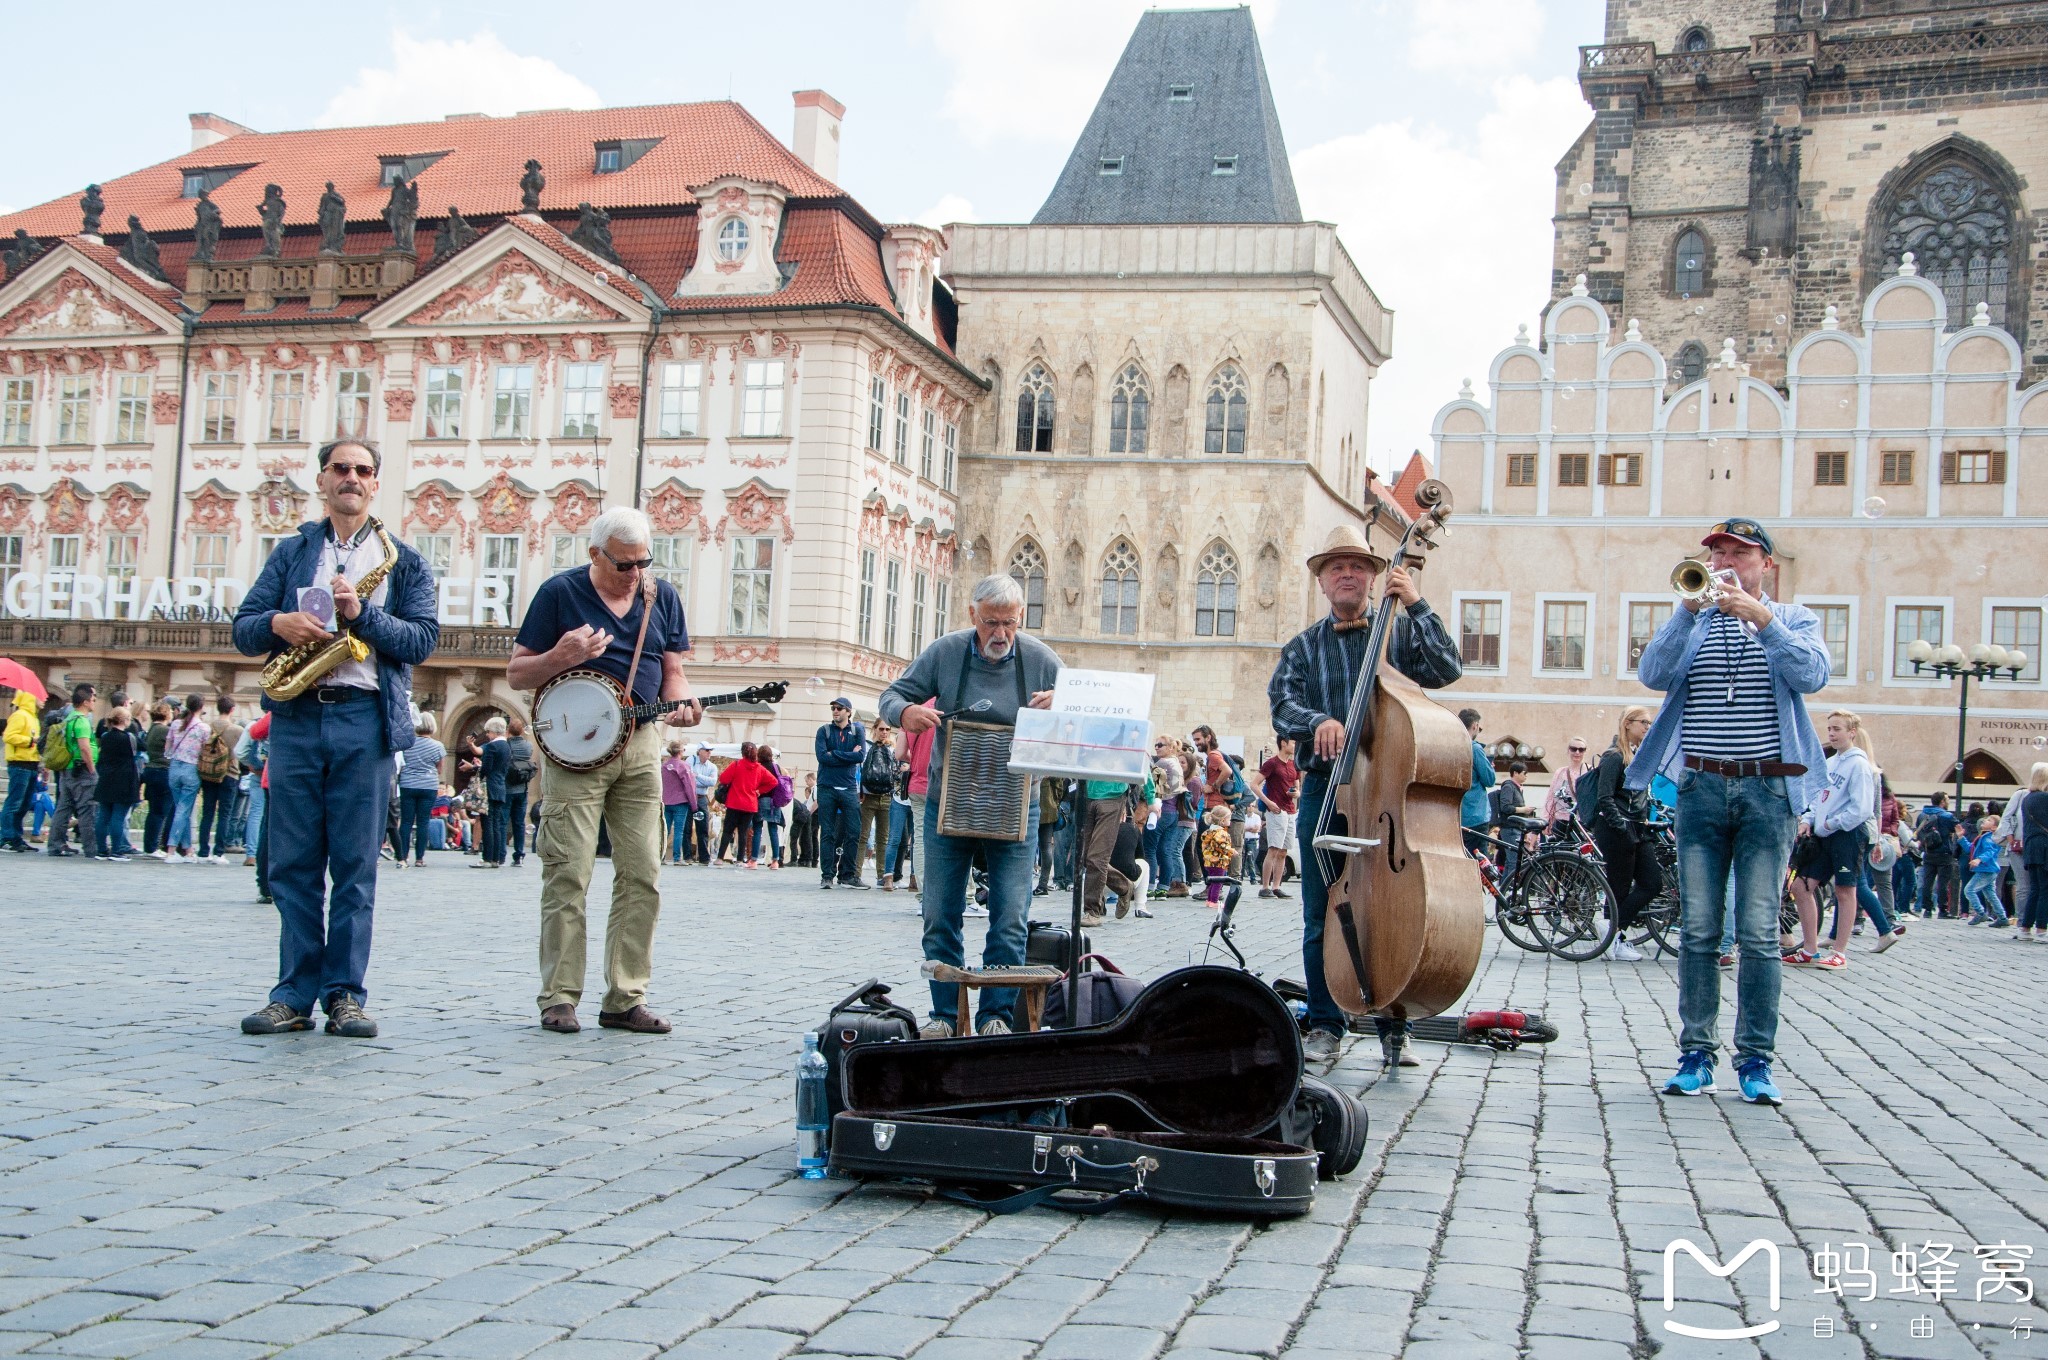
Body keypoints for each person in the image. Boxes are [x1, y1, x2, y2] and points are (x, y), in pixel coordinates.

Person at [232, 437, 439, 1039]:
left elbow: (422, 640)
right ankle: (292, 994)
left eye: (363, 470)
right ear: (321, 480)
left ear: (377, 483)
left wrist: (361, 617)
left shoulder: (404, 560)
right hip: (297, 717)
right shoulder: (293, 551)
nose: (351, 477)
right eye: (339, 468)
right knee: (293, 865)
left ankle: (345, 994)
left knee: (354, 867)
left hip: (364, 718)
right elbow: (244, 629)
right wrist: (278, 623)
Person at [1629, 517, 1830, 1107]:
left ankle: (1756, 1061)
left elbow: (1812, 675)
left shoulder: (1793, 619)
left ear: (1765, 564)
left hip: (1769, 793)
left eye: (1738, 553)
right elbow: (1653, 674)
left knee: (1760, 931)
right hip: (1703, 789)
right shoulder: (1693, 619)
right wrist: (1687, 611)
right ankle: (1696, 1053)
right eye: (1715, 552)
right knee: (1698, 931)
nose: (1723, 563)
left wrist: (1761, 618)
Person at [1268, 522, 1463, 1070]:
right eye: (1337, 568)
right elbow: (1282, 706)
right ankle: (1326, 1023)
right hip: (1327, 790)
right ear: (1324, 583)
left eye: (1358, 566)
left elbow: (1447, 668)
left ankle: (1391, 1022)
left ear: (1375, 578)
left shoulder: (1397, 634)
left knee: (1391, 909)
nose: (1347, 574)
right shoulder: (1303, 648)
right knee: (1321, 911)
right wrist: (1319, 721)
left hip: (1389, 791)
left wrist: (1419, 605)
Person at [508, 506, 699, 1035]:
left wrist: (681, 702)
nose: (635, 573)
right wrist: (562, 655)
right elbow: (518, 672)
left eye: (644, 561)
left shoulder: (661, 597)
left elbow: (675, 672)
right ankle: (560, 997)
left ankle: (624, 997)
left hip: (640, 743)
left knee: (644, 874)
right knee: (568, 872)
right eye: (624, 564)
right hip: (575, 752)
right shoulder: (559, 594)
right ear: (595, 554)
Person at [880, 573, 1061, 1038]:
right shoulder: (946, 651)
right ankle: (944, 1016)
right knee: (939, 911)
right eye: (990, 623)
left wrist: (1064, 701)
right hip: (950, 802)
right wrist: (906, 713)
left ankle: (996, 1015)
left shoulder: (1041, 659)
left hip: (1017, 804)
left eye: (1010, 624)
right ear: (972, 616)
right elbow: (891, 695)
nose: (1000, 634)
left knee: (1011, 916)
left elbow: (1090, 711)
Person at [1591, 708, 1658, 964]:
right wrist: (1620, 826)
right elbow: (1604, 797)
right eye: (1644, 723)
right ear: (1628, 724)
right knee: (1618, 887)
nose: (1647, 728)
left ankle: (1612, 928)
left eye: (1650, 724)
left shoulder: (1640, 756)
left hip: (1638, 828)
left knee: (1652, 883)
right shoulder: (1614, 756)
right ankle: (1614, 937)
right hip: (1616, 828)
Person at [815, 697, 868, 888]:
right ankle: (827, 875)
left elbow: (860, 756)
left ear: (848, 711)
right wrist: (848, 755)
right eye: (833, 708)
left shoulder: (857, 730)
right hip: (826, 786)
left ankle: (847, 875)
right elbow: (822, 757)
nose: (835, 711)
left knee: (854, 831)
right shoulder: (824, 731)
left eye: (839, 708)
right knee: (827, 833)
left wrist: (834, 753)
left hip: (848, 787)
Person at [43, 683, 98, 857]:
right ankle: (91, 848)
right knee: (86, 809)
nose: (94, 702)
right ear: (86, 702)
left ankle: (55, 844)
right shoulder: (81, 721)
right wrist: (92, 769)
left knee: (63, 808)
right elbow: (84, 748)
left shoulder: (69, 718)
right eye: (93, 699)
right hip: (80, 770)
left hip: (67, 769)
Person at [195, 696, 244, 863]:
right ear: (232, 709)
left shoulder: (208, 727)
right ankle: (219, 852)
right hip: (229, 773)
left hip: (208, 773)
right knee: (225, 814)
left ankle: (202, 851)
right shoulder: (237, 730)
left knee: (207, 812)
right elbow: (243, 752)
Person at [714, 741, 775, 868]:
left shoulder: (736, 765)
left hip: (734, 802)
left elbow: (724, 779)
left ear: (742, 752)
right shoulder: (759, 768)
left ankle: (720, 858)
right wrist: (759, 790)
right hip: (750, 805)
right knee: (743, 832)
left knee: (727, 831)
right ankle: (740, 859)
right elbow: (773, 782)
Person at [395, 715, 445, 869]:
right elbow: (440, 769)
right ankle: (420, 858)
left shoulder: (407, 744)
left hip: (408, 784)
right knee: (423, 821)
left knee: (406, 821)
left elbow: (401, 764)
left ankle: (402, 857)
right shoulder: (438, 746)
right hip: (428, 785)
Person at [92, 706, 140, 861]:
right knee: (118, 816)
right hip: (124, 780)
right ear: (125, 720)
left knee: (103, 816)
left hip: (106, 778)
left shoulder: (105, 736)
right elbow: (142, 747)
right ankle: (117, 850)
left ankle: (101, 850)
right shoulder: (128, 737)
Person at [162, 694, 206, 862]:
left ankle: (187, 850)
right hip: (191, 769)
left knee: (182, 809)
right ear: (201, 707)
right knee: (183, 810)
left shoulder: (175, 724)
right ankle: (171, 850)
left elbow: (167, 749)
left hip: (174, 767)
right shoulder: (203, 728)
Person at [1256, 739, 1299, 899]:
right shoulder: (1272, 763)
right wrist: (1268, 802)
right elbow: (1254, 784)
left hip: (1290, 810)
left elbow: (1298, 788)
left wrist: (1296, 794)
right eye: (1293, 743)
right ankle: (1265, 886)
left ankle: (1276, 886)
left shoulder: (1294, 765)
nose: (1295, 746)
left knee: (1283, 851)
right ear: (1283, 743)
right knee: (1273, 848)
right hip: (1276, 810)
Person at [857, 723, 897, 883]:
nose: (885, 732)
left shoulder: (893, 750)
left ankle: (882, 875)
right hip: (868, 796)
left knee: (883, 838)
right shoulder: (867, 748)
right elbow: (859, 770)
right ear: (874, 730)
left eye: (887, 729)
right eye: (881, 729)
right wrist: (859, 792)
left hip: (887, 796)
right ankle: (856, 874)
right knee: (863, 836)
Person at [1914, 792, 1961, 917]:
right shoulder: (1947, 816)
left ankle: (1927, 909)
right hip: (1944, 852)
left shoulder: (1922, 815)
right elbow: (1957, 829)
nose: (1949, 801)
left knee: (1927, 881)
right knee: (1943, 882)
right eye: (1948, 799)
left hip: (1928, 851)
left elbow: (1919, 831)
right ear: (1942, 801)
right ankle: (1942, 910)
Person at [244, 712, 274, 903]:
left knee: (268, 831)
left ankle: (265, 885)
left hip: (273, 777)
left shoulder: (279, 710)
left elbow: (255, 731)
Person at [3, 686, 38, 852]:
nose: (42, 700)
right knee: (14, 803)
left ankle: (17, 837)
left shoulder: (33, 718)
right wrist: (30, 741)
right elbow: (9, 736)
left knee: (24, 804)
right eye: (38, 696)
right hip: (19, 763)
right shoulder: (20, 715)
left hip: (31, 764)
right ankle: (6, 837)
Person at [473, 716, 510, 868]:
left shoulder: (492, 746)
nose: (487, 735)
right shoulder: (506, 746)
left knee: (487, 824)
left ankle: (487, 857)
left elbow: (486, 769)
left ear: (493, 731)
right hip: (500, 786)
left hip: (489, 787)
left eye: (488, 732)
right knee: (497, 824)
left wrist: (477, 769)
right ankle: (496, 858)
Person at [1457, 709, 1495, 855]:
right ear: (1474, 725)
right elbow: (1489, 780)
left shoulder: (1452, 746)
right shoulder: (1475, 749)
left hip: (1457, 814)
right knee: (1480, 862)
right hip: (1476, 815)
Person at [234, 713, 269, 869]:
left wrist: (251, 765)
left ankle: (252, 854)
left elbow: (240, 752)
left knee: (255, 813)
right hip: (281, 775)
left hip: (258, 773)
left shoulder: (254, 724)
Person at [2019, 764, 2048, 941]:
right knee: (2045, 889)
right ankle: (2041, 929)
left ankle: (2025, 928)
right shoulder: (2044, 797)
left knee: (2035, 888)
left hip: (2031, 845)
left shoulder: (2027, 798)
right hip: (2045, 845)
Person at [140, 700, 173, 857]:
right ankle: (154, 846)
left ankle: (149, 845)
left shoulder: (152, 729)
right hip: (163, 771)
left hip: (151, 769)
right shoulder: (164, 730)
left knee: (153, 811)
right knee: (161, 811)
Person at [503, 715, 536, 868]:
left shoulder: (506, 745)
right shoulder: (528, 746)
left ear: (508, 730)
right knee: (519, 823)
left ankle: (501, 853)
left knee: (502, 822)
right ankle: (519, 855)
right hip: (522, 788)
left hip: (507, 787)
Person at [1964, 815, 2007, 927]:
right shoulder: (1983, 837)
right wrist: (1961, 838)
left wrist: (1979, 859)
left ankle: (1980, 912)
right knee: (1990, 894)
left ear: (1993, 827)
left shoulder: (1988, 838)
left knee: (1969, 890)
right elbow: (1970, 848)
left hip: (1986, 869)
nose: (1984, 820)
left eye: (1989, 820)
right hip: (1988, 869)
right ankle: (2002, 917)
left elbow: (1990, 851)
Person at [1544, 737, 1594, 832]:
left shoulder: (1590, 771)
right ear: (1568, 750)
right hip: (1561, 821)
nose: (1577, 752)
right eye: (1573, 749)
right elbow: (1550, 798)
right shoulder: (1560, 772)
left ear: (1585, 751)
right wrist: (1546, 821)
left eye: (1581, 750)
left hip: (1583, 821)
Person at [755, 744, 792, 867]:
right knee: (773, 830)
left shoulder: (758, 767)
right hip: (774, 801)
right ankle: (775, 860)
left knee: (757, 829)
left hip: (760, 799)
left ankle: (753, 859)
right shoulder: (776, 767)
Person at [661, 740, 696, 865]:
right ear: (681, 751)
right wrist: (694, 803)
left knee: (665, 830)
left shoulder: (664, 766)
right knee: (679, 830)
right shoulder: (683, 766)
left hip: (666, 800)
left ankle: (661, 856)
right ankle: (677, 858)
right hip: (680, 801)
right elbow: (689, 786)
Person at [1199, 803, 1234, 908]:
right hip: (1218, 861)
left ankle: (1209, 900)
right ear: (1222, 820)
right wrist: (1231, 851)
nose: (1230, 821)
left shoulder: (1209, 832)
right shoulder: (1220, 833)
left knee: (1213, 881)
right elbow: (1222, 846)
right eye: (1229, 819)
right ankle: (1214, 901)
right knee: (1218, 882)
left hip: (1209, 861)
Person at [792, 772, 819, 868]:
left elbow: (816, 802)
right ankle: (813, 858)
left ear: (811, 779)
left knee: (808, 836)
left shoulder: (815, 788)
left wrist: (810, 812)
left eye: (807, 780)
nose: (807, 783)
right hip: (814, 814)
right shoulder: (815, 789)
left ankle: (808, 857)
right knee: (813, 837)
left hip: (813, 814)